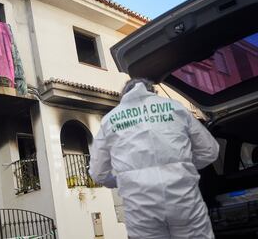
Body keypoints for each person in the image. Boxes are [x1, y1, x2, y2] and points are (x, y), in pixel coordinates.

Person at [89, 78, 219, 239]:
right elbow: (210, 151)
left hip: (141, 210)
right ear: (153, 91)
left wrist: (123, 178)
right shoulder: (175, 107)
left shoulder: (109, 120)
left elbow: (97, 173)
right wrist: (184, 166)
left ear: (123, 95)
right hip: (184, 201)